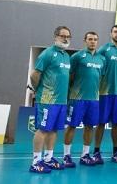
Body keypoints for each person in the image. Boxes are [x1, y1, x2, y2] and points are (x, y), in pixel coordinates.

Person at [28, 26, 72, 173]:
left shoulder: (66, 56)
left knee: (53, 130)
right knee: (43, 129)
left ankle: (48, 158)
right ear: (55, 37)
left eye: (68, 36)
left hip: (61, 101)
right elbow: (34, 75)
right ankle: (35, 162)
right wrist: (37, 89)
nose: (65, 39)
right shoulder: (47, 53)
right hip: (47, 100)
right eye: (62, 36)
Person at [63, 32, 105, 167]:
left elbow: (100, 78)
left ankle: (85, 155)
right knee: (72, 126)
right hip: (77, 99)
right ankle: (66, 156)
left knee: (89, 127)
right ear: (85, 41)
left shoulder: (102, 59)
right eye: (90, 39)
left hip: (93, 100)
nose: (93, 42)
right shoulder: (77, 57)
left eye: (95, 39)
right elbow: (69, 76)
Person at [94, 25, 117, 163]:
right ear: (111, 34)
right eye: (115, 31)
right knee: (101, 123)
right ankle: (96, 152)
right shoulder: (104, 49)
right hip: (105, 93)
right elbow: (97, 65)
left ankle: (116, 152)